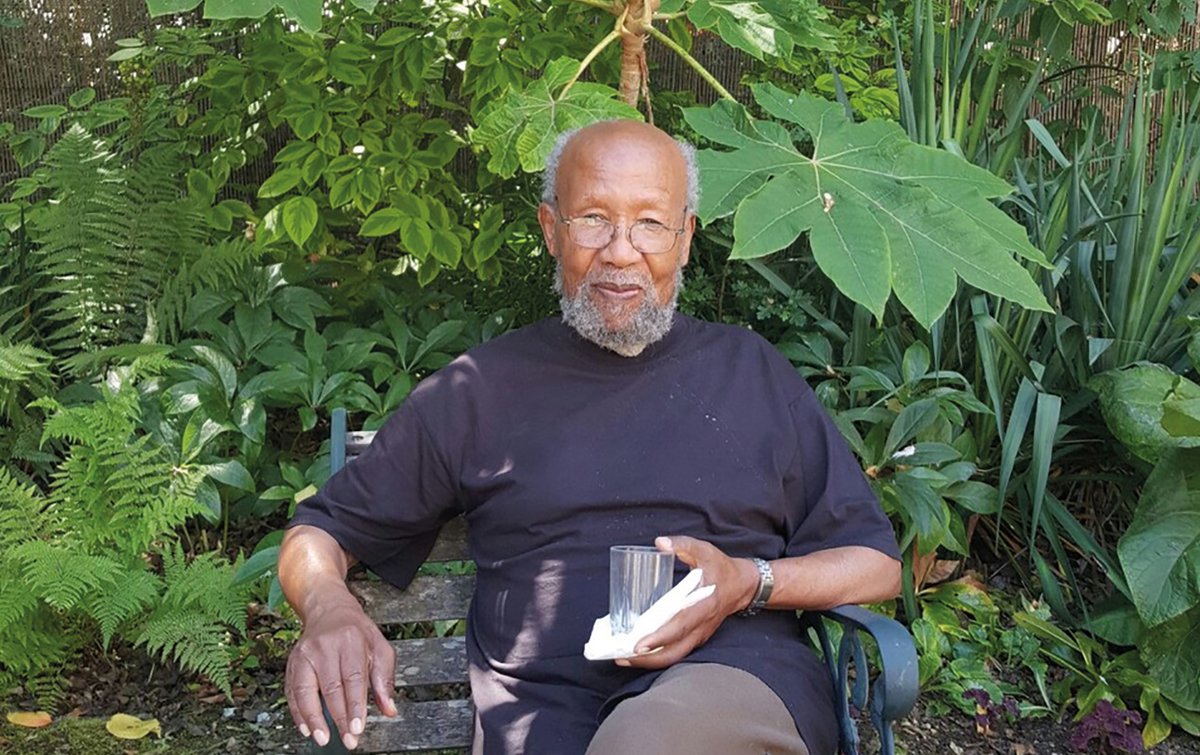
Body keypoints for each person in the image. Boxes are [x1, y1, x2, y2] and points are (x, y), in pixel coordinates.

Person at [279, 119, 901, 755]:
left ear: (685, 239)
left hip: (728, 685)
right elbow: (320, 533)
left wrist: (752, 581)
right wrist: (329, 607)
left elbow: (874, 564)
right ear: (552, 230)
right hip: (542, 716)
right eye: (593, 219)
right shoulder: (479, 391)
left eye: (650, 224)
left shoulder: (750, 372)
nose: (621, 251)